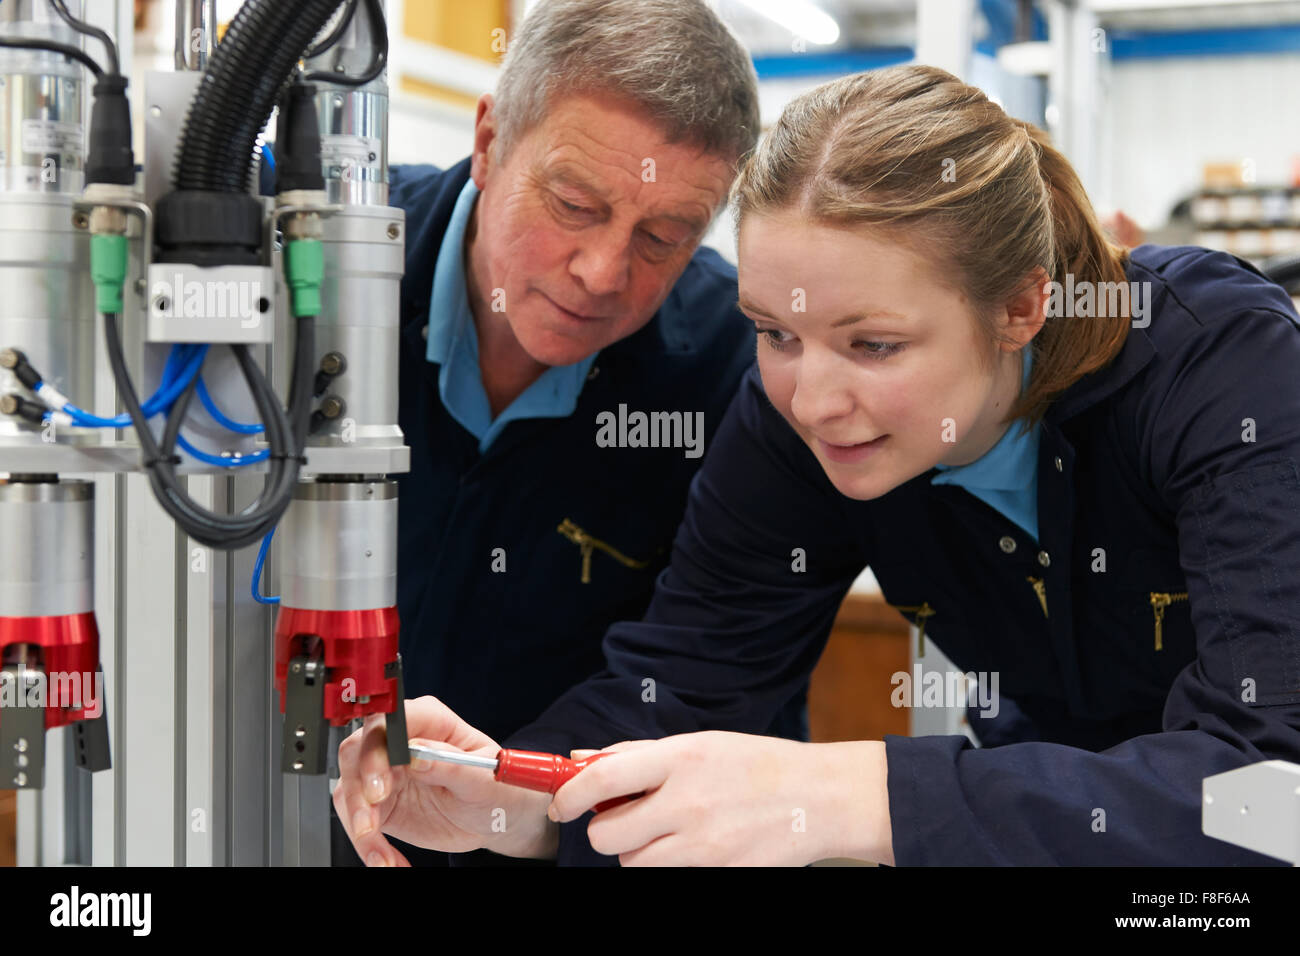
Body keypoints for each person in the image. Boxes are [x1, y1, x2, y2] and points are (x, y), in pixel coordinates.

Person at [335, 64, 1300, 866]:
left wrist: (855, 794)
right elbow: (688, 682)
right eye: (772, 332)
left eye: (874, 345)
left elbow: (1269, 799)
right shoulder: (796, 413)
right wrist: (514, 797)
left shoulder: (1225, 373)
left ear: (1019, 308)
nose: (812, 398)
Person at [330, 0, 798, 867]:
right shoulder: (329, 267)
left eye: (664, 237)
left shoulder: (735, 372)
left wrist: (527, 809)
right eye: (575, 203)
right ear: (488, 140)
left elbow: (719, 686)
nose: (603, 272)